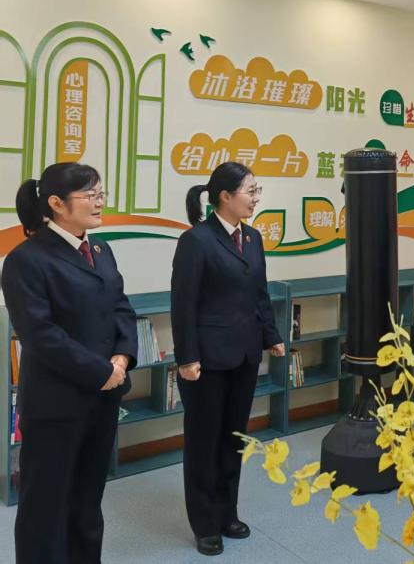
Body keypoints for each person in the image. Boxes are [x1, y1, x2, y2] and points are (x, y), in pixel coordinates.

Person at [1, 163, 137, 563]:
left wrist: (123, 356)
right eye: (89, 195)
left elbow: (121, 307)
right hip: (56, 403)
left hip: (103, 397)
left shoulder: (101, 249)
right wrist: (102, 371)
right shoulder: (26, 259)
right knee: (45, 506)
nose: (99, 202)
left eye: (101, 193)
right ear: (56, 204)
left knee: (87, 499)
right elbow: (40, 335)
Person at [171, 162, 285, 556]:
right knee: (204, 442)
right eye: (250, 191)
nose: (256, 198)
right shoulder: (196, 240)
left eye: (257, 190)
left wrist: (271, 336)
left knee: (234, 438)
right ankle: (204, 524)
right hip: (206, 360)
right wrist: (187, 356)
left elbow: (259, 294)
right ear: (225, 196)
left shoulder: (252, 238)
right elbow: (183, 304)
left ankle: (226, 513)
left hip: (244, 354)